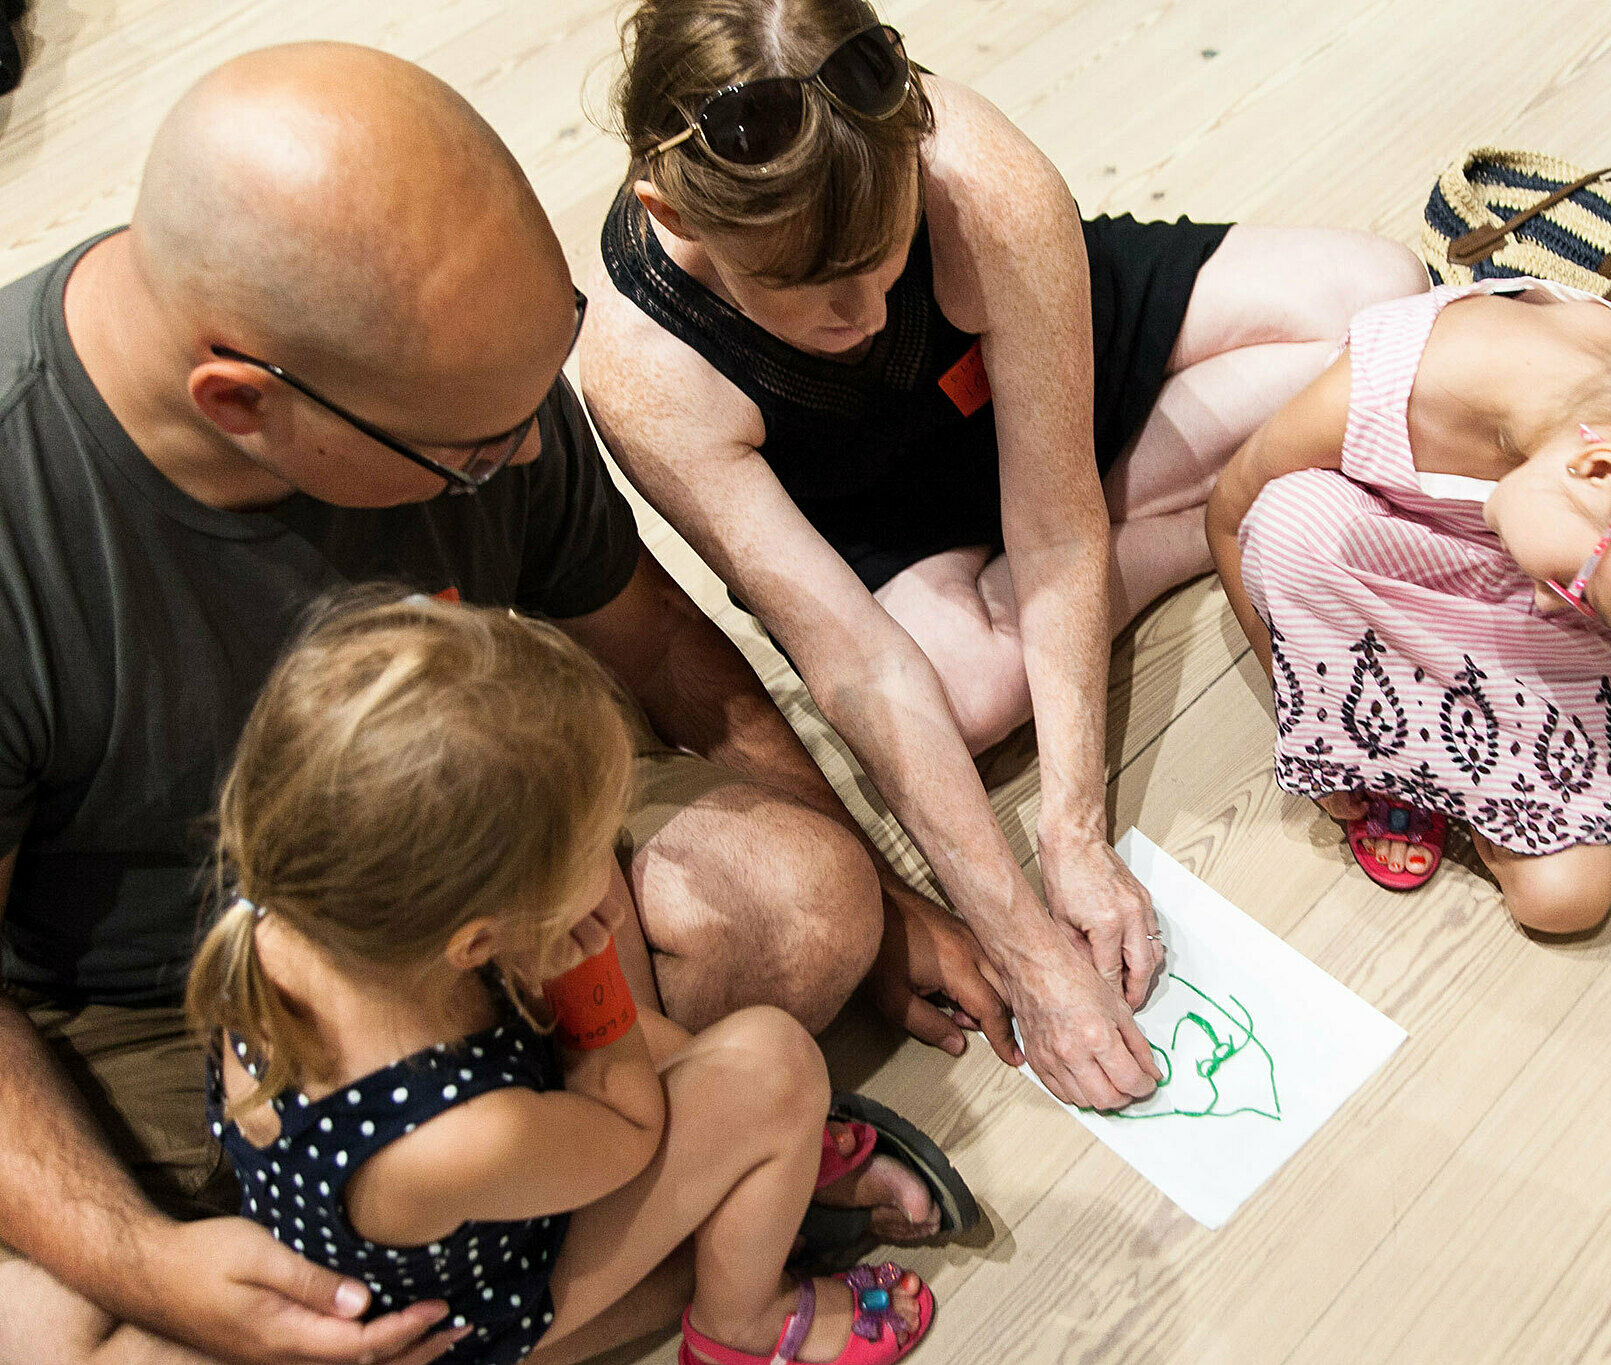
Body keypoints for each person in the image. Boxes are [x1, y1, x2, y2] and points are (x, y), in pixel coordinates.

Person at [0, 43, 982, 1365]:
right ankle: (679, 1244)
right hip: (168, 1021)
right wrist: (143, 1256)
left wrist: (887, 891)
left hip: (479, 869)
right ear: (239, 400)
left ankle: (628, 1241)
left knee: (803, 900)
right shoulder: (28, 514)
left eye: (547, 369)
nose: (528, 451)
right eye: (472, 453)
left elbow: (661, 652)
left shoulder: (471, 375)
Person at [580, 0, 1431, 1110]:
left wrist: (1075, 830)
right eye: (804, 291)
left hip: (1048, 381)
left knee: (1380, 305)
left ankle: (1162, 527)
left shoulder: (970, 169)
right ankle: (1209, 511)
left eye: (885, 260)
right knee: (959, 697)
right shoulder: (644, 365)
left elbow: (1055, 516)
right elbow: (853, 665)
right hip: (891, 510)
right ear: (669, 211)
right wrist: (1022, 939)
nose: (865, 312)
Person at [179, 595, 932, 1365]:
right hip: (473, 1314)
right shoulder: (454, 1136)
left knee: (726, 1093)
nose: (610, 866)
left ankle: (758, 1162)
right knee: (776, 1066)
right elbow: (630, 1130)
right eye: (590, 853)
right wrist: (583, 966)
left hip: (455, 1220)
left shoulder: (300, 901)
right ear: (475, 940)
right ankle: (742, 1325)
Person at [1207, 281, 1611, 932]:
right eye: (1587, 598)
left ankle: (1432, 771)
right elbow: (1230, 520)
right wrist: (1322, 723)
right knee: (1291, 522)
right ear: (1603, 471)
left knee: (1564, 899)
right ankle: (1423, 760)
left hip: (1502, 593)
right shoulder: (1391, 388)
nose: (1560, 607)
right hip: (1385, 558)